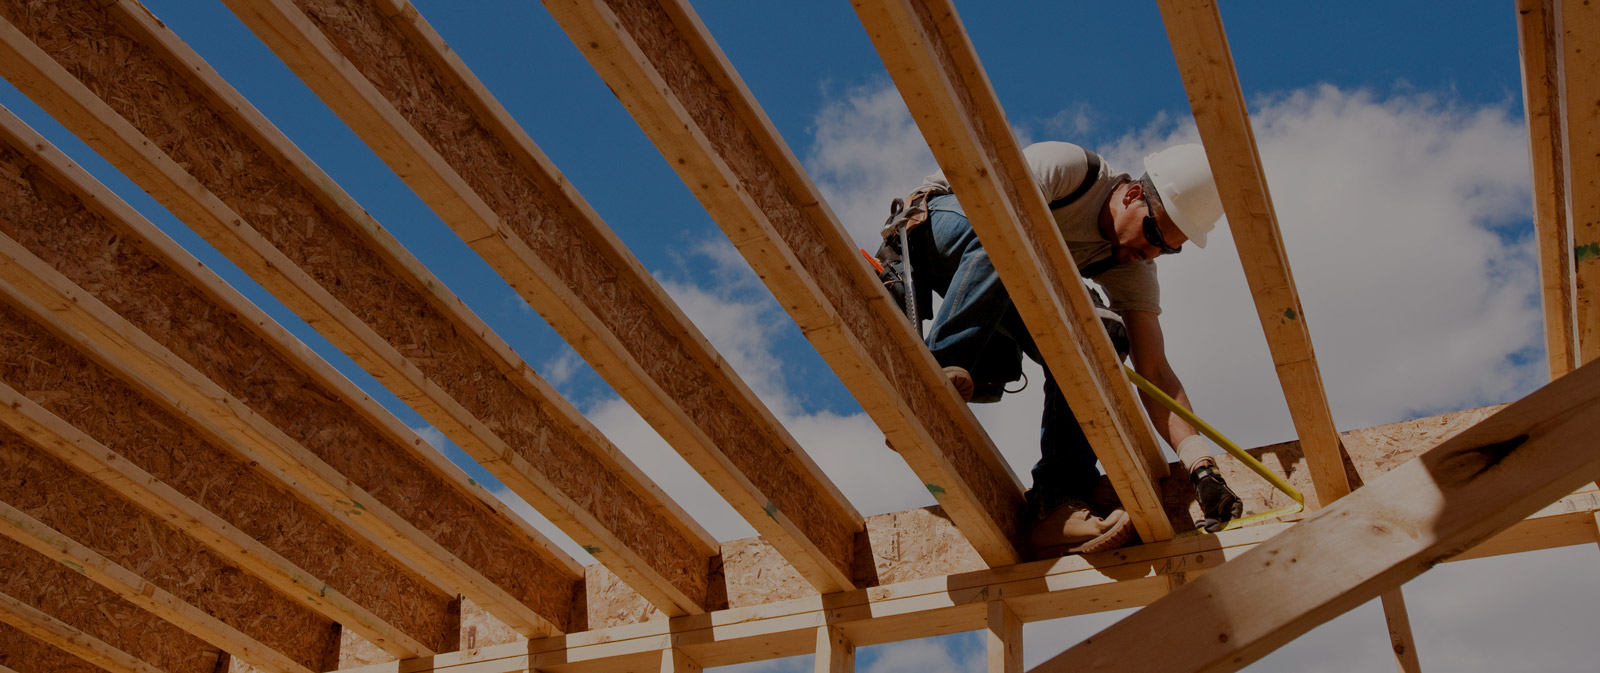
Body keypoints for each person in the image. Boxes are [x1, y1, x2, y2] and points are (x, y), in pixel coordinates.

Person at [892, 141, 1242, 556]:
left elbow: (1156, 372)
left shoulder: (1132, 265)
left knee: (1106, 339)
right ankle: (936, 373)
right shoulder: (1072, 169)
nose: (1150, 254)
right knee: (1008, 233)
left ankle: (1057, 502)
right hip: (943, 229)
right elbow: (996, 212)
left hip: (1000, 283)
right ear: (1132, 196)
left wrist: (1202, 468)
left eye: (1166, 249)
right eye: (1152, 235)